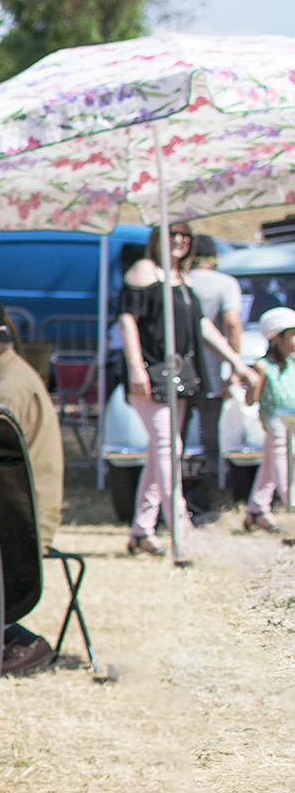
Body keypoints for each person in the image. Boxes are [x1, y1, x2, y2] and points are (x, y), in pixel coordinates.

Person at [117, 222, 253, 556]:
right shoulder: (144, 271)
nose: (179, 240)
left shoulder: (183, 279)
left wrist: (235, 361)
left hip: (180, 374)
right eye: (172, 233)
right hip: (150, 372)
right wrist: (136, 367)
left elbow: (202, 326)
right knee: (168, 446)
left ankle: (142, 530)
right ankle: (181, 526)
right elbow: (127, 319)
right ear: (157, 239)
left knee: (161, 450)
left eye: (185, 235)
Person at [0, 286, 62, 675]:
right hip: (15, 509)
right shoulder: (3, 379)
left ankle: (16, 639)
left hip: (21, 520)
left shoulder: (7, 391)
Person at [185, 233, 244, 521]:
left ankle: (178, 498)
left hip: (179, 374)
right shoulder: (225, 283)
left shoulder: (179, 280)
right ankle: (209, 498)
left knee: (174, 440)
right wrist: (234, 365)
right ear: (214, 258)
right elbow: (232, 324)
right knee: (211, 442)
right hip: (212, 374)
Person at [244, 306, 295, 533]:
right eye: (292, 334)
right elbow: (249, 400)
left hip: (292, 421)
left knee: (269, 463)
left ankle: (257, 509)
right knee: (282, 461)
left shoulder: (292, 363)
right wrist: (252, 384)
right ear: (276, 338)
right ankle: (291, 502)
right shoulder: (261, 366)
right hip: (275, 421)